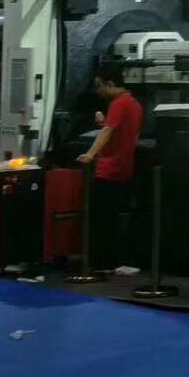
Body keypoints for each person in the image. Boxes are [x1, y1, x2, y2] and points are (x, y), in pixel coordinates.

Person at [78, 64, 142, 270]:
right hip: (125, 167)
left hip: (109, 169)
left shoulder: (118, 103)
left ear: (111, 84)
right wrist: (104, 123)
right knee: (112, 216)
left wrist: (90, 154)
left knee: (101, 218)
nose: (98, 91)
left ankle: (100, 262)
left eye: (100, 86)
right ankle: (110, 260)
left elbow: (108, 131)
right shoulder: (134, 104)